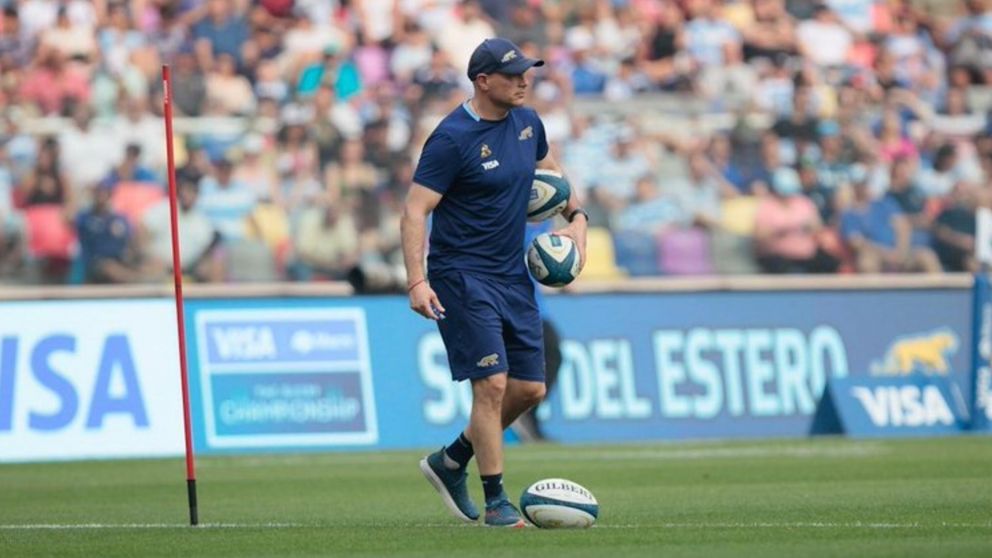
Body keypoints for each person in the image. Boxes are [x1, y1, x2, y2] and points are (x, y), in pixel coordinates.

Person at [401, 38, 587, 528]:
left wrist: (578, 218)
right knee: (492, 385)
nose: (525, 80)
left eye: (527, 72)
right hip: (461, 275)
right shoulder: (451, 138)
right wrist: (417, 280)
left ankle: (451, 459)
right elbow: (415, 210)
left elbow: (552, 174)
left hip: (512, 274)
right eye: (513, 75)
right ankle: (497, 502)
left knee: (528, 390)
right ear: (483, 81)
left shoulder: (529, 124)